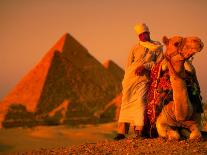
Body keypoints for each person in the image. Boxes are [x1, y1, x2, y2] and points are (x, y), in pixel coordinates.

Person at [114, 23, 163, 140]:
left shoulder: (157, 47)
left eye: (144, 34)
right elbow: (128, 64)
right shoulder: (135, 47)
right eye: (140, 35)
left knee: (140, 102)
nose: (142, 37)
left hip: (144, 79)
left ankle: (139, 131)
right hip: (130, 79)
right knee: (125, 103)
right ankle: (121, 132)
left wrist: (145, 66)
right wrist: (126, 79)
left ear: (148, 33)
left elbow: (159, 63)